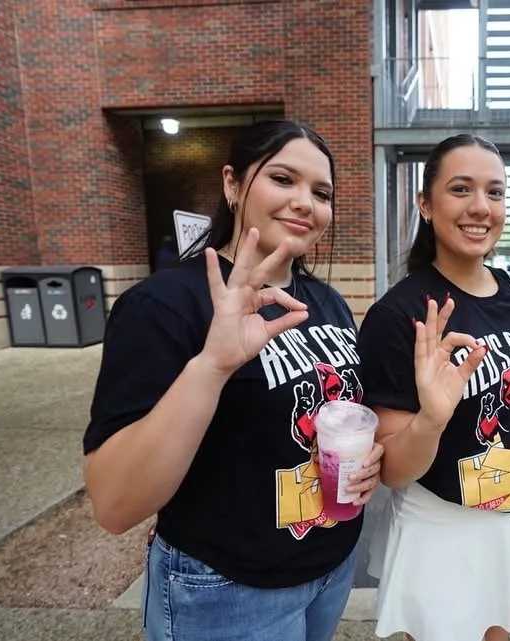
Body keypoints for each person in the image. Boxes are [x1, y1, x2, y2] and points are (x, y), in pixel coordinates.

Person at [82, 120, 384, 641]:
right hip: (226, 589)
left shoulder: (328, 302)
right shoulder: (165, 305)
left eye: (322, 192)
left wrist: (367, 458)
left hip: (329, 566)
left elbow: (331, 415)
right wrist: (213, 364)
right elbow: (115, 503)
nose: (305, 202)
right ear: (232, 184)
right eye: (283, 179)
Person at [356, 134, 510, 641]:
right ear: (425, 203)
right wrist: (431, 417)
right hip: (445, 530)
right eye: (461, 189)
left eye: (495, 192)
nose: (480, 207)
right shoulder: (398, 314)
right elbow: (395, 472)